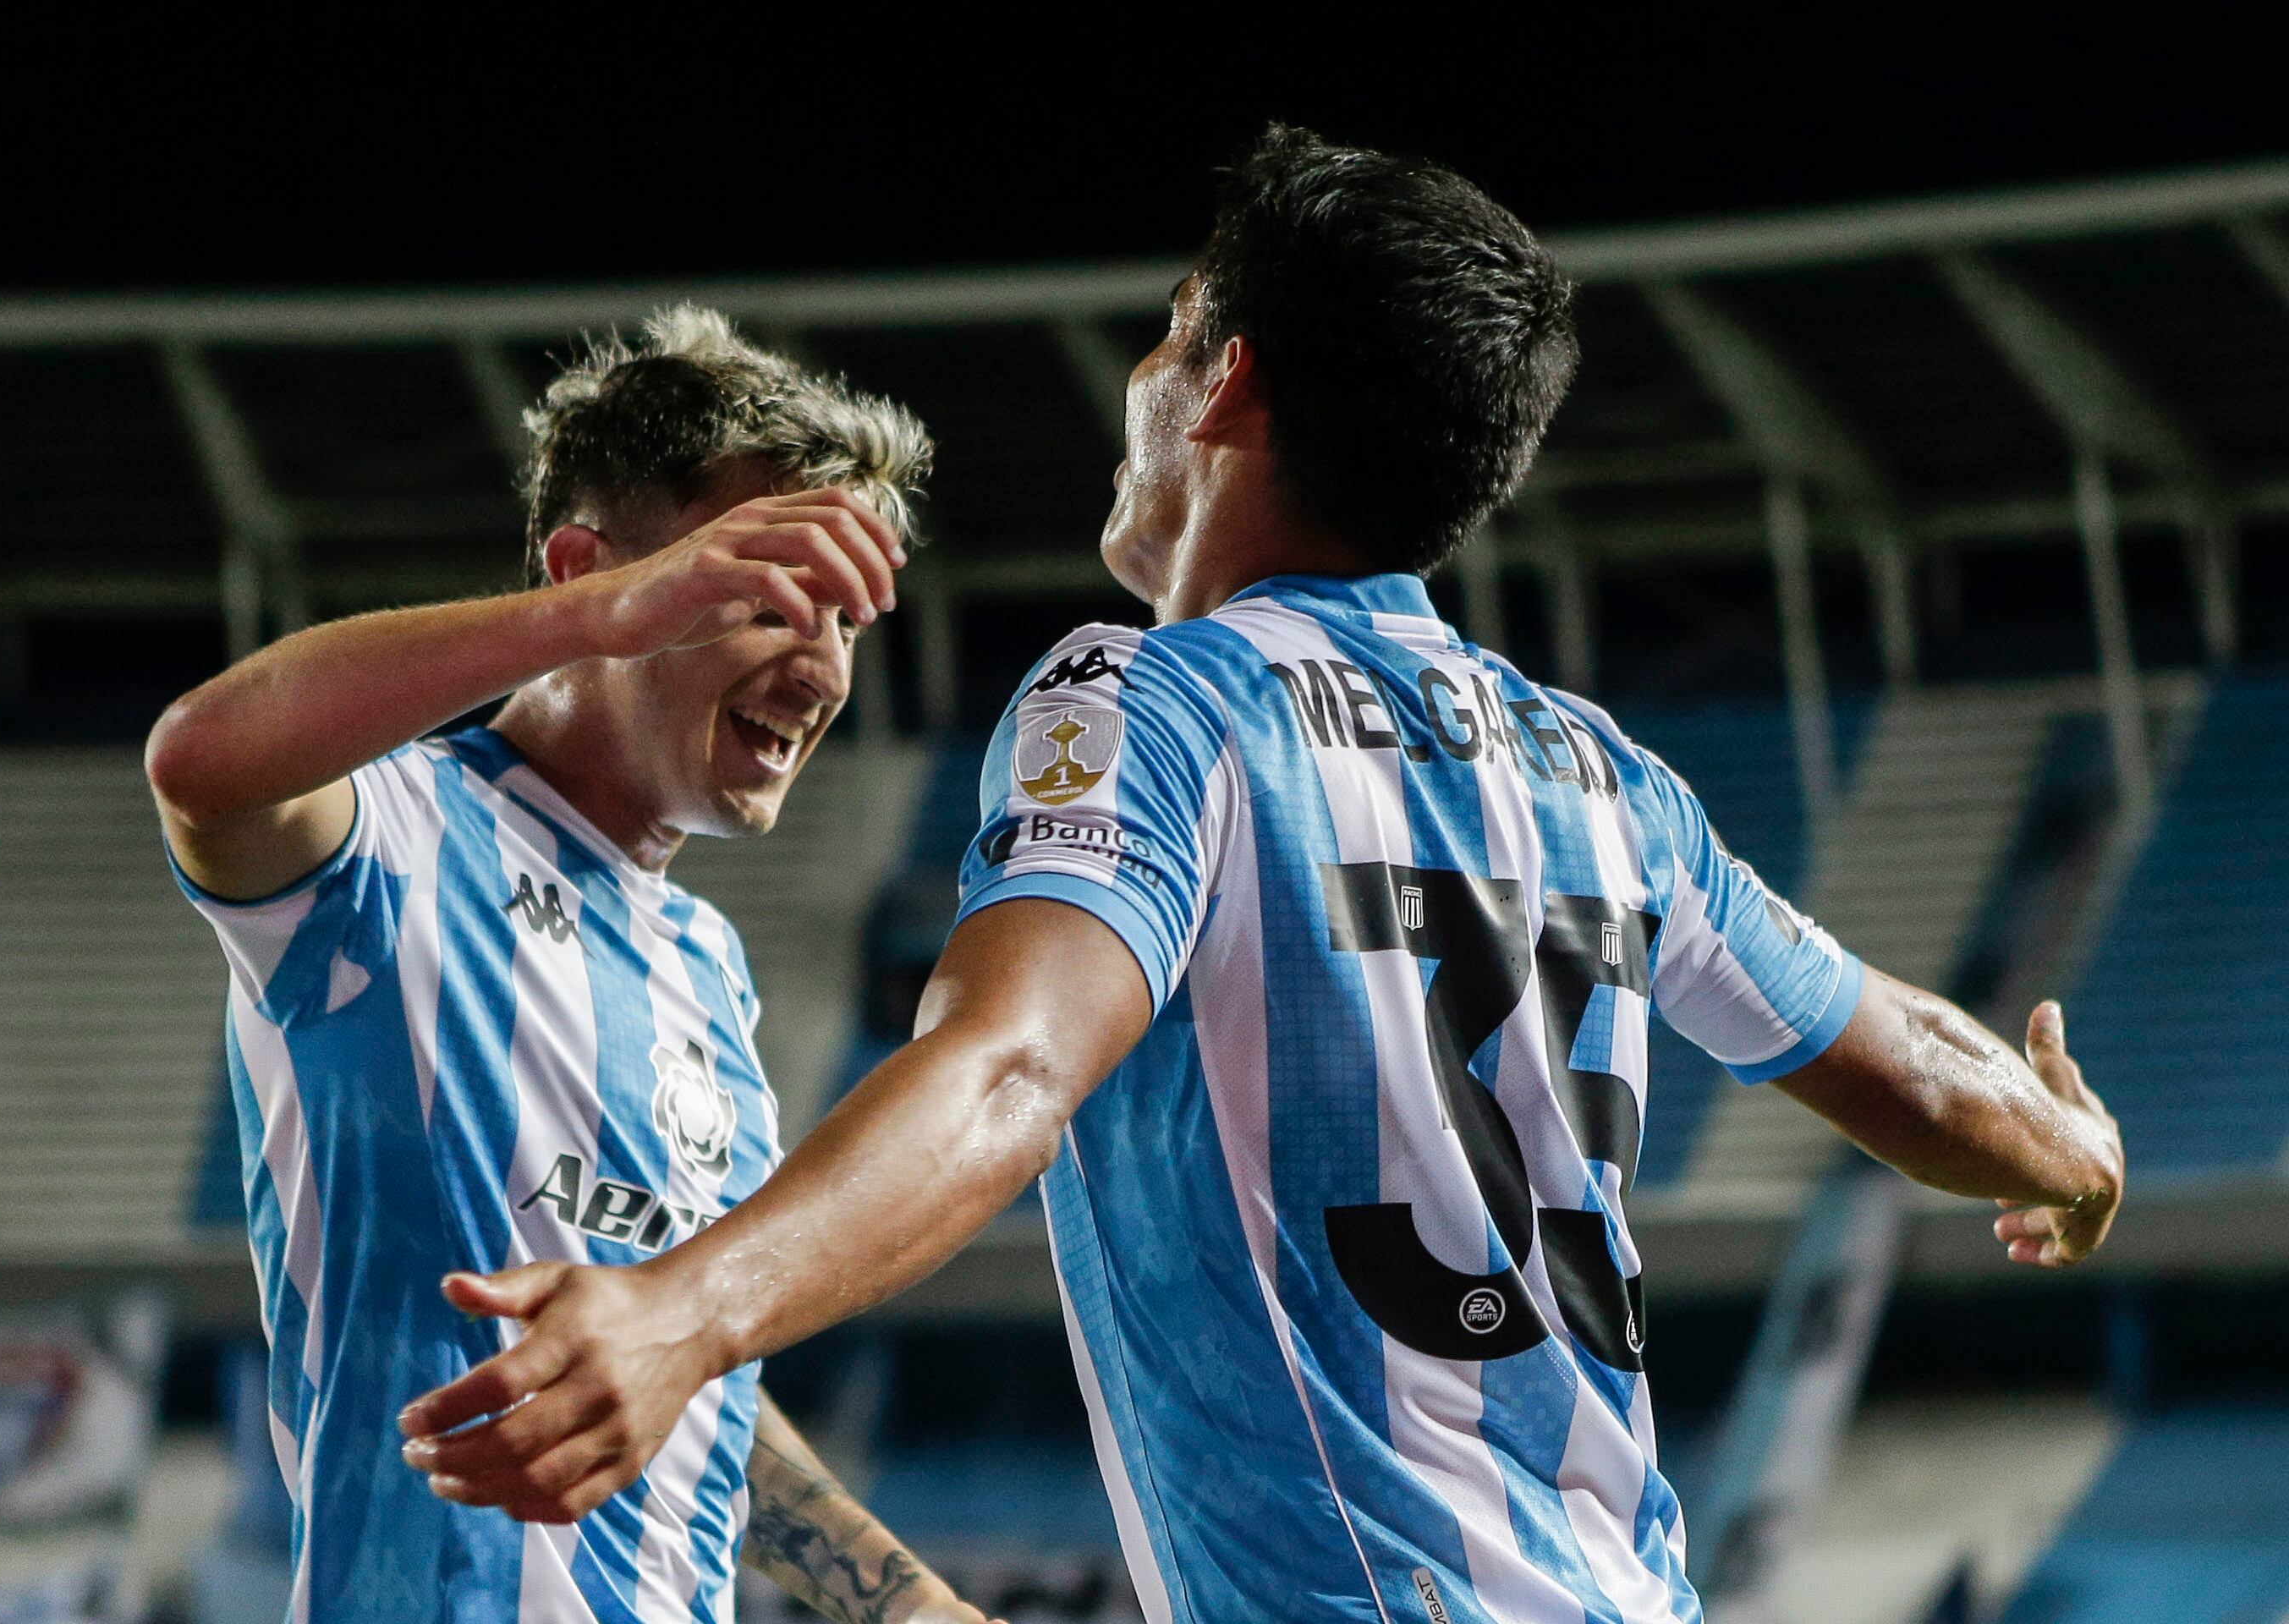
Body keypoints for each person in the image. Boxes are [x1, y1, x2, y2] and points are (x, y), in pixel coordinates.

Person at [397, 130, 2124, 1624]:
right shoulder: (1602, 776)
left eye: (1164, 341)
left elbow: (1008, 1068)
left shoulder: (1154, 703)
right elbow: (1902, 1059)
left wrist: (681, 1313)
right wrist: (2070, 1149)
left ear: (1222, 385)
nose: (1138, 391)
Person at [147, 309, 995, 1624]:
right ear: (594, 573)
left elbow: (671, 1374)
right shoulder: (404, 841)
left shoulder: (702, 963)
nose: (822, 666)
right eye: (770, 599)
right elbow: (200, 764)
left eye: (845, 621)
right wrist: (591, 618)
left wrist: (902, 1603)